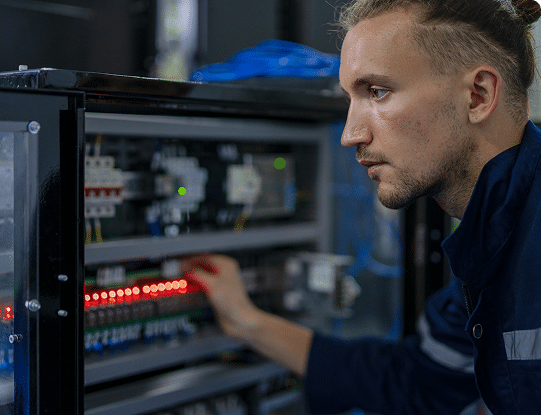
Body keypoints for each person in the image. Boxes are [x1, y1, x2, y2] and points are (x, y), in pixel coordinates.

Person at [183, 0, 541, 414]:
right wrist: (249, 323)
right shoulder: (486, 252)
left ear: (478, 96)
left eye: (378, 92)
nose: (350, 135)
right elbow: (415, 381)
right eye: (351, 99)